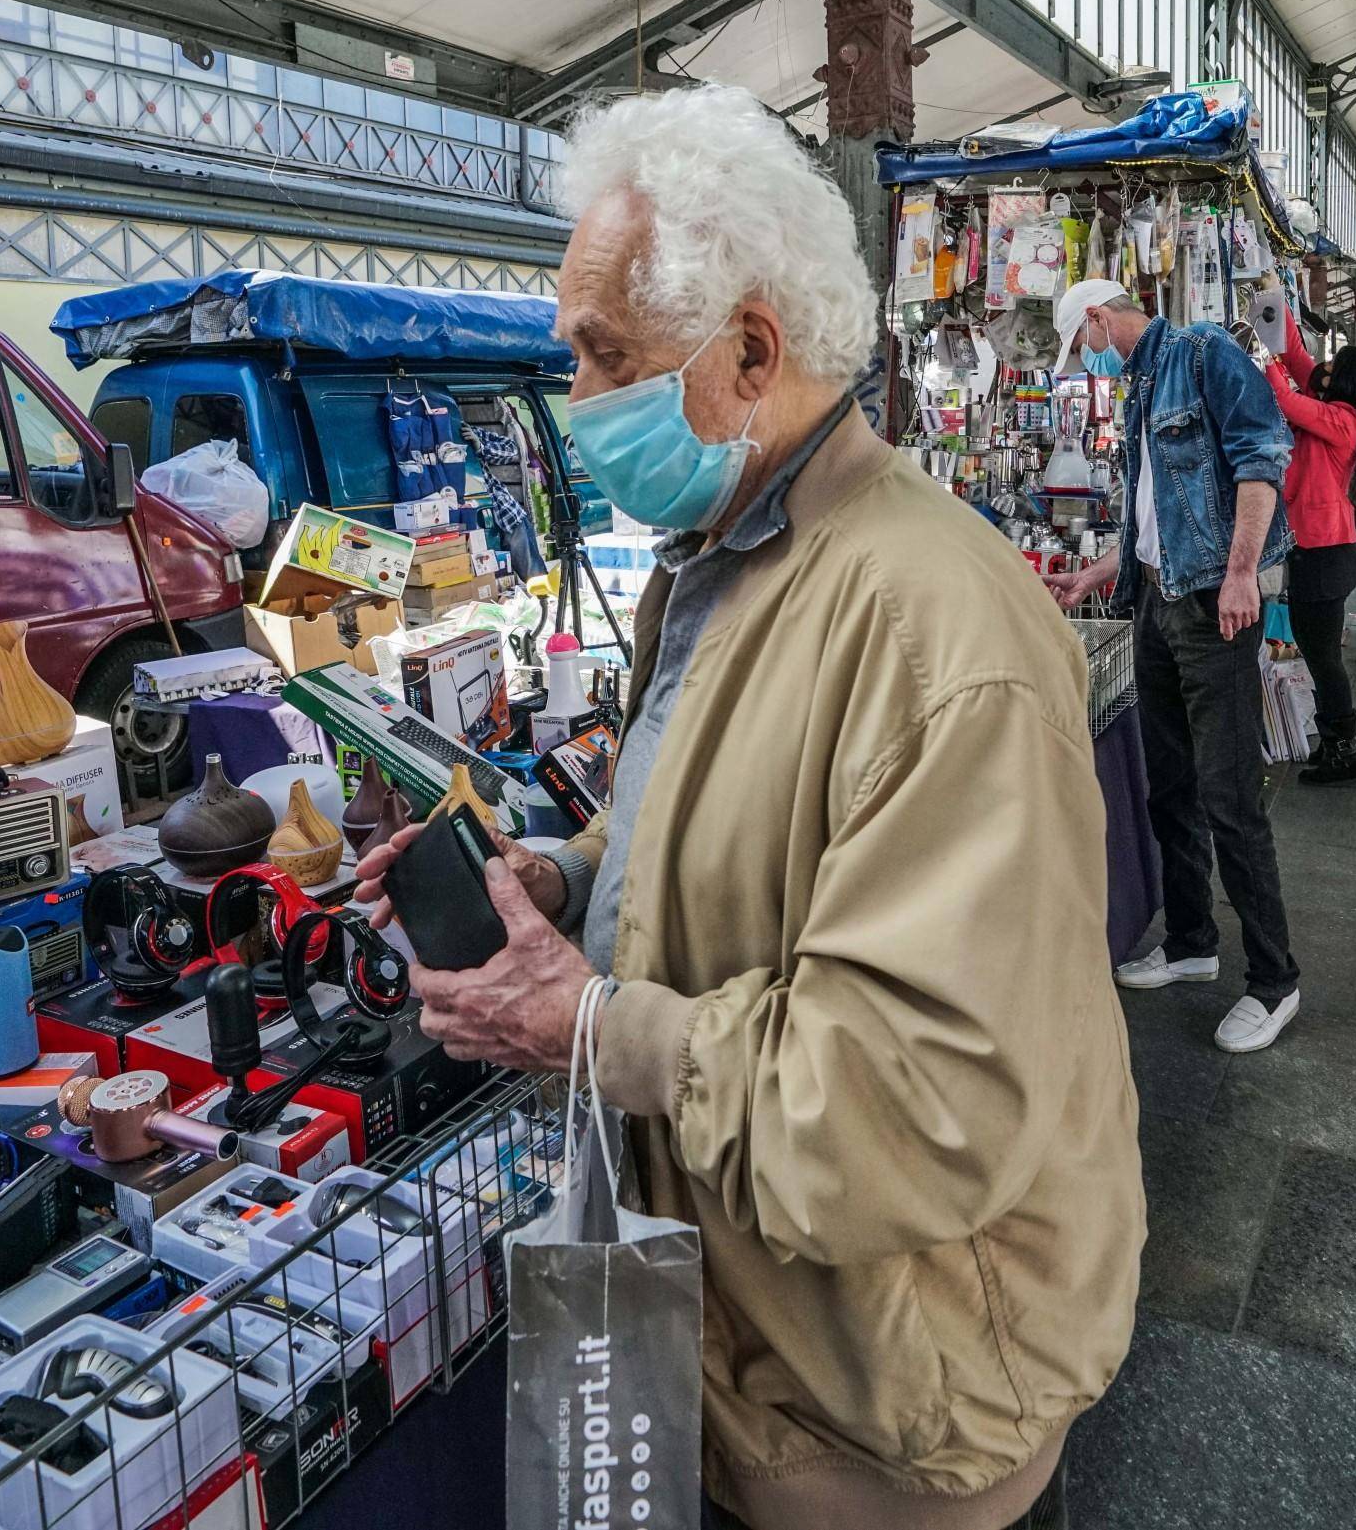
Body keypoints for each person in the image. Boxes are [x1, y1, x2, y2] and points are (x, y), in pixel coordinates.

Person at [361, 86, 1140, 1530]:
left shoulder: (934, 633)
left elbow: (921, 1100)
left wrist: (596, 1026)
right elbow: (710, 819)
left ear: (752, 352)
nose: (575, 402)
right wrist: (560, 874)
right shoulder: (724, 559)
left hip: (893, 1423)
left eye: (601, 358)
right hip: (755, 1367)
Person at [1045, 277, 1303, 1054]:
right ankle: (1193, 940)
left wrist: (1240, 572)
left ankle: (1275, 979)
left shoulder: (1202, 351)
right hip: (1160, 599)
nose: (1088, 361)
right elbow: (1158, 506)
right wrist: (1105, 574)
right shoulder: (1146, 383)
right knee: (1172, 784)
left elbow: (1263, 459)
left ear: (1097, 317)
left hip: (1211, 605)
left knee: (1230, 796)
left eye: (1082, 343)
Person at [1264, 296, 1356, 786]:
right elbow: (1297, 357)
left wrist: (1259, 359)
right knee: (1319, 650)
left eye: (1333, 370)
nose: (1323, 372)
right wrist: (1272, 299)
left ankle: (1345, 749)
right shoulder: (1335, 409)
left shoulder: (1345, 420)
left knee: (1323, 655)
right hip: (1319, 550)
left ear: (1348, 381)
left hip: (1326, 553)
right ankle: (1338, 744)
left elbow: (1287, 397)